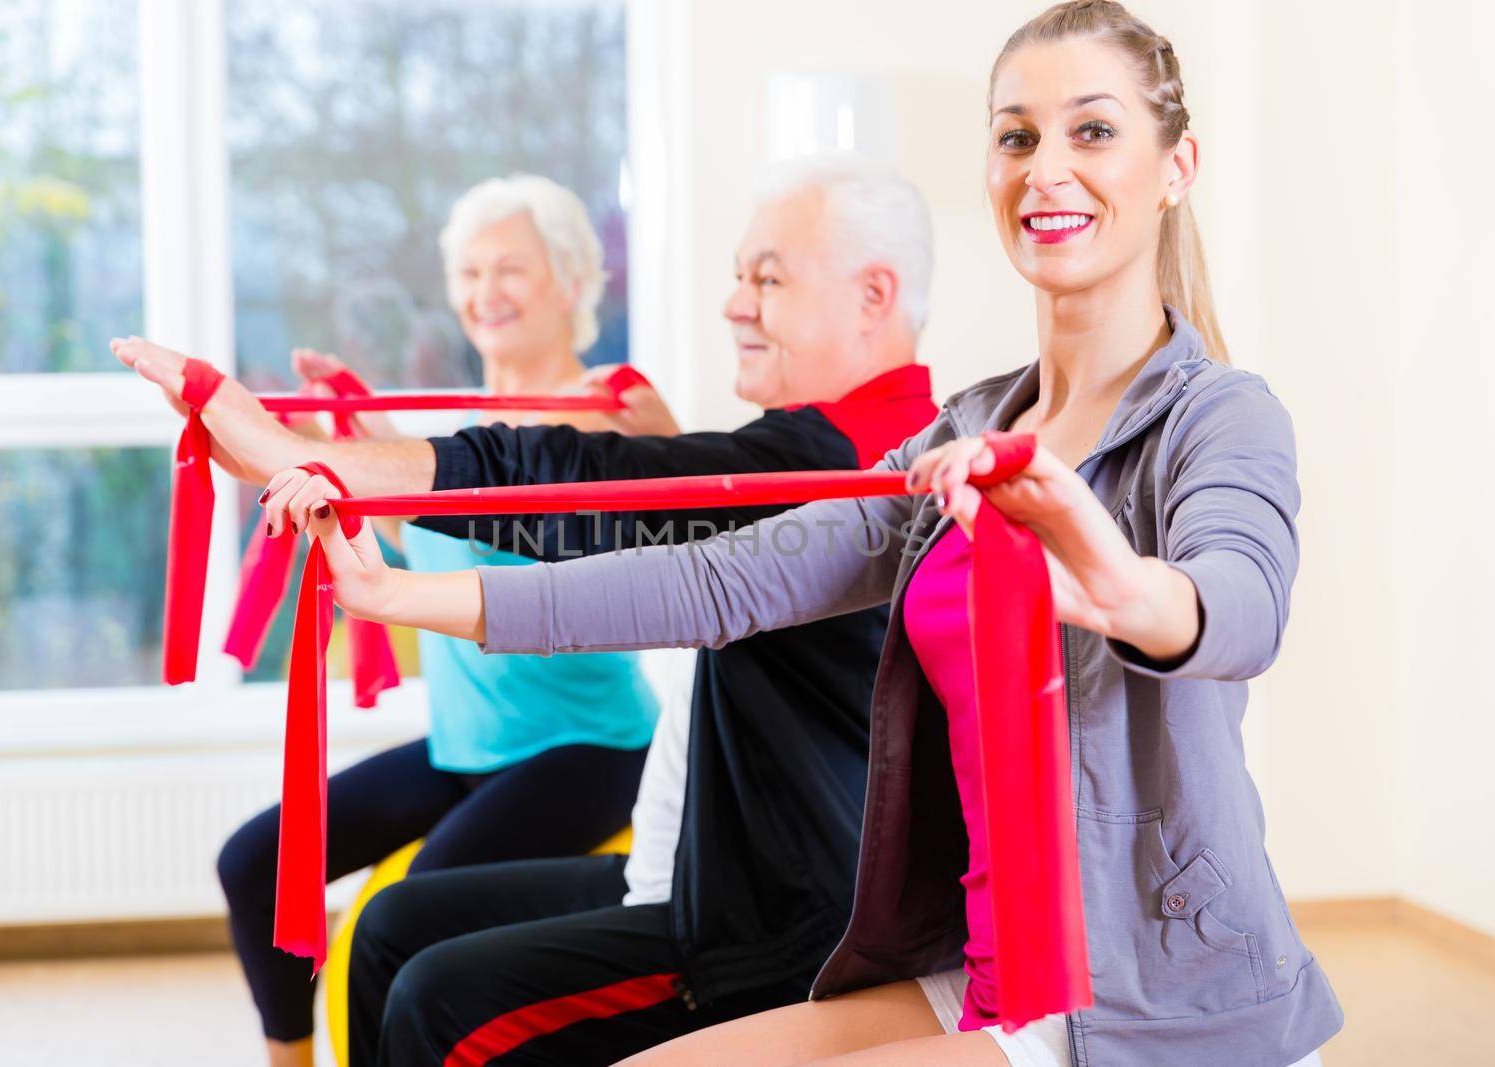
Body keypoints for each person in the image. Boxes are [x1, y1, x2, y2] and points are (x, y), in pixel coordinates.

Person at [262, 3, 1346, 1064]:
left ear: (1175, 166)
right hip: (985, 964)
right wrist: (396, 596)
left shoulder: (1219, 413)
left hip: (1155, 995)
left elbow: (1239, 604)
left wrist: (1122, 587)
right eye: (1016, 135)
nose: (1045, 167)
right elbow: (721, 580)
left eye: (1093, 130)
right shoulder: (963, 433)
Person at [116, 153, 940, 1066]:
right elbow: (597, 501)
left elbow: (598, 489)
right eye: (738, 276)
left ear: (874, 298)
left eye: (768, 278)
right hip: (708, 865)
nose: (734, 303)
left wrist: (327, 466)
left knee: (438, 994)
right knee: (388, 926)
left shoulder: (849, 459)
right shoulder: (839, 444)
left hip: (774, 923)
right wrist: (348, 470)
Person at [203, 175, 665, 1067]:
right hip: (467, 744)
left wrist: (352, 457)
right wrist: (346, 443)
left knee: (397, 920)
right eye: (471, 270)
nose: (486, 291)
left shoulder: (604, 411)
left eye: (513, 268)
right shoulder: (453, 428)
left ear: (571, 280)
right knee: (255, 862)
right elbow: (425, 550)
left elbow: (590, 539)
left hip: (587, 748)